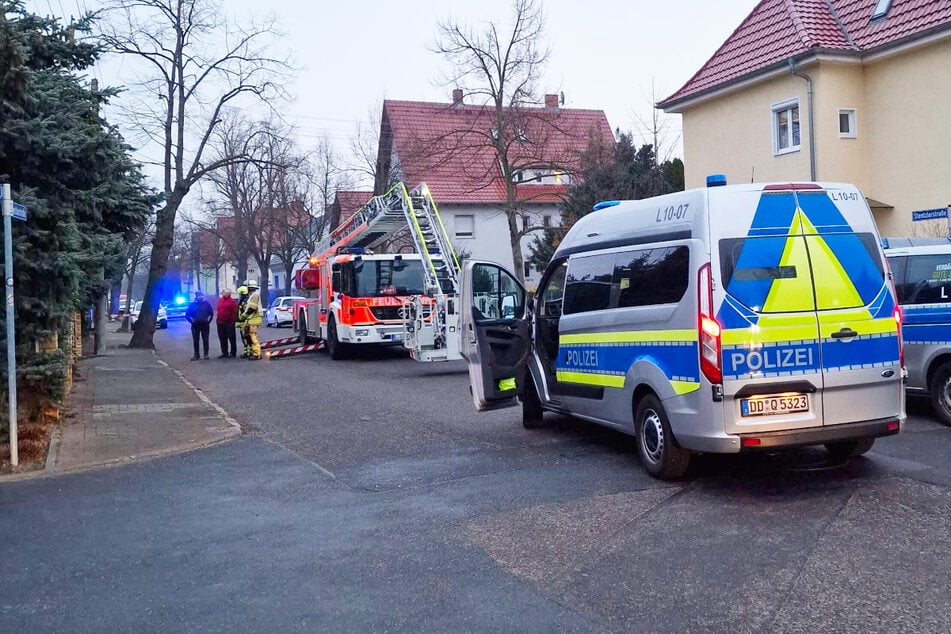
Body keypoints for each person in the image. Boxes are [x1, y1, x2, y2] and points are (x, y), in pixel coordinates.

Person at [185, 291, 214, 360]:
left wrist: (208, 321)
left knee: (205, 340)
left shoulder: (206, 304)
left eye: (201, 295)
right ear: (196, 296)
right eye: (199, 295)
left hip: (205, 325)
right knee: (196, 340)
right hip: (195, 326)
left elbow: (211, 314)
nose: (200, 297)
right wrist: (192, 321)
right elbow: (187, 315)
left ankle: (206, 354)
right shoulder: (192, 305)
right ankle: (196, 354)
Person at [243, 279, 263, 360]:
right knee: (250, 335)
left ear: (249, 288)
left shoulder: (254, 295)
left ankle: (257, 354)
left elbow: (252, 308)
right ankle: (255, 353)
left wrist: (245, 315)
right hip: (253, 319)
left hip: (254, 318)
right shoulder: (253, 295)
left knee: (253, 336)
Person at [215, 289, 239, 358]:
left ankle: (233, 352)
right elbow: (218, 310)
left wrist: (233, 321)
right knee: (222, 338)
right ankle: (224, 352)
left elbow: (235, 312)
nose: (221, 293)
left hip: (229, 323)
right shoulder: (220, 300)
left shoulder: (232, 302)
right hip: (220, 322)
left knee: (231, 338)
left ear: (228, 294)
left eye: (223, 292)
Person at [235, 285, 250, 358]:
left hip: (244, 322)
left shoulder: (244, 301)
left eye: (239, 294)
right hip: (243, 322)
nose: (239, 295)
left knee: (246, 338)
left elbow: (245, 311)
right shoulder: (244, 300)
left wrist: (241, 317)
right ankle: (247, 352)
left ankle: (248, 352)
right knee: (244, 338)